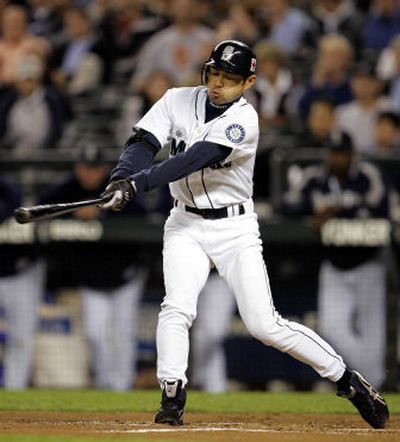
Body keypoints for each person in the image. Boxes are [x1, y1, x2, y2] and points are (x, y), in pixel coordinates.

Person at [100, 40, 389, 428]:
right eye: (214, 73)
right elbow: (143, 142)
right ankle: (172, 394)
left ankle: (347, 380)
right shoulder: (176, 99)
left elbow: (193, 158)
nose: (219, 83)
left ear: (249, 81)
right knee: (177, 307)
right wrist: (121, 177)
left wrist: (137, 184)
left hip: (234, 228)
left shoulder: (244, 120)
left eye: (230, 78)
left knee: (264, 325)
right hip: (184, 222)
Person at [281, 138, 389, 388]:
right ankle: (371, 381)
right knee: (331, 327)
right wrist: (313, 214)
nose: (337, 158)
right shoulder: (315, 177)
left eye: (342, 153)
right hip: (334, 265)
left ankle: (374, 384)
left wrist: (338, 212)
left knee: (373, 334)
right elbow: (286, 204)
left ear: (351, 154)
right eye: (333, 153)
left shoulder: (368, 174)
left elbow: (381, 209)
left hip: (368, 263)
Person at [39, 144, 148, 390]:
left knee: (122, 333)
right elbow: (42, 207)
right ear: (78, 168)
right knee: (95, 334)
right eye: (86, 168)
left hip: (125, 275)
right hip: (91, 278)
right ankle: (107, 385)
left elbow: (143, 217)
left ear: (104, 170)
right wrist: (72, 216)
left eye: (95, 168)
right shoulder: (67, 189)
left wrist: (102, 214)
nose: (90, 174)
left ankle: (122, 388)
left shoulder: (117, 187)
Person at [0, 175, 45, 389]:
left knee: (20, 338)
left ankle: (15, 390)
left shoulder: (6, 185)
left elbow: (12, 209)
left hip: (20, 272)